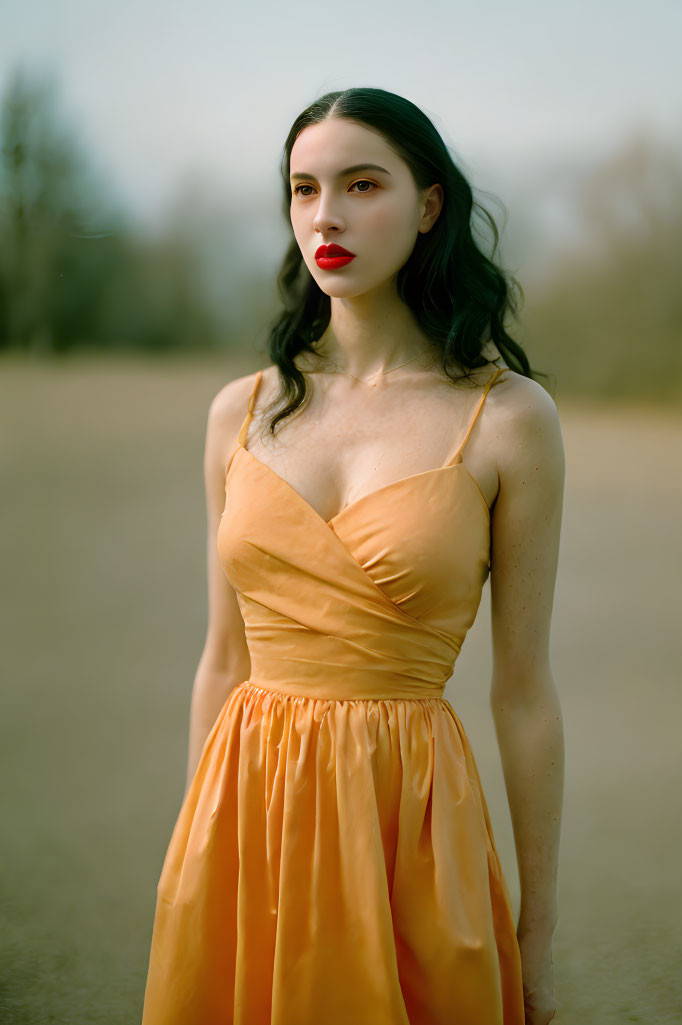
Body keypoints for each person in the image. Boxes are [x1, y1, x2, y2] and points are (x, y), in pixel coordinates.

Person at [141, 87, 565, 1025]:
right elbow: (224, 657)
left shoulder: (509, 420)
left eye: (360, 184)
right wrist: (193, 866)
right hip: (246, 820)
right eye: (302, 189)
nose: (324, 215)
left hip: (410, 824)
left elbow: (524, 690)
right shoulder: (240, 412)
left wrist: (535, 934)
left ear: (428, 206)